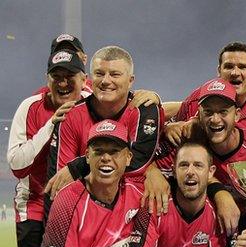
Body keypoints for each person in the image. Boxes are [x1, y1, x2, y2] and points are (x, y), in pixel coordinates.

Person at [45, 45, 169, 215]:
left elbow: (140, 161)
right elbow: (61, 181)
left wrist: (77, 167)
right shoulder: (70, 116)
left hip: (132, 213)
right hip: (84, 214)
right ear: (89, 78)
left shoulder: (146, 109)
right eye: (99, 74)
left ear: (131, 80)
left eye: (115, 74)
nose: (106, 81)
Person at [33, 119, 140, 247]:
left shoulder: (140, 194)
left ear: (129, 157)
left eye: (114, 152)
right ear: (87, 156)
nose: (106, 158)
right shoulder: (68, 199)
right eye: (98, 151)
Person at [7, 49, 88, 247]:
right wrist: (50, 126)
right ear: (47, 80)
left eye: (69, 76)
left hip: (77, 207)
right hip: (34, 204)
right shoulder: (30, 107)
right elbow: (17, 166)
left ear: (83, 79)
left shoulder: (92, 104)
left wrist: (151, 97)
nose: (62, 83)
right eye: (56, 76)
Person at [129, 142, 236, 247]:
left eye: (198, 165)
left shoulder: (219, 214)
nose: (190, 172)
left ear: (211, 173)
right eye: (184, 165)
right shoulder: (154, 204)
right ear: (173, 170)